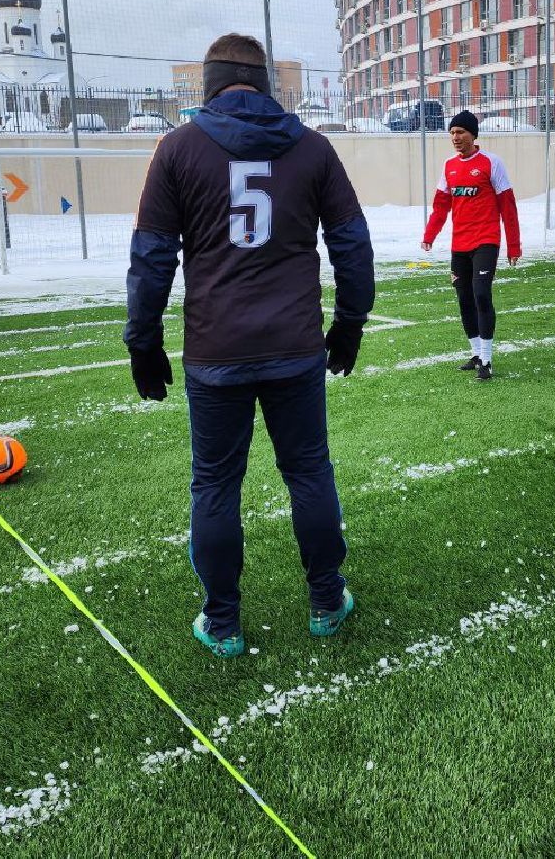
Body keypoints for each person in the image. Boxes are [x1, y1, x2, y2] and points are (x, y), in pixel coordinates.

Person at [124, 33, 375, 659]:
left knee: (214, 485)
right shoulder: (313, 148)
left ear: (208, 85)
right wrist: (350, 322)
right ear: (265, 83)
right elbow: (352, 244)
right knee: (309, 472)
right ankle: (325, 600)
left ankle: (223, 620)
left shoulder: (178, 148)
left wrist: (142, 338)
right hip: (294, 345)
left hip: (216, 350)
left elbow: (152, 256)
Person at [421, 110, 522, 381]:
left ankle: (487, 360)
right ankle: (476, 353)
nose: (455, 137)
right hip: (460, 244)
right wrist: (429, 234)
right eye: (452, 133)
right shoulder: (449, 166)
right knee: (464, 298)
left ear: (473, 135)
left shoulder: (491, 163)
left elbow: (508, 207)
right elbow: (441, 205)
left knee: (480, 295)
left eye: (461, 132)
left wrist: (514, 245)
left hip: (486, 241)